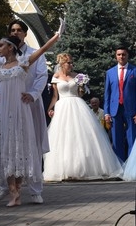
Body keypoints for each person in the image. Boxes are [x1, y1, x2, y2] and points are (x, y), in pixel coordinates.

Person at [0, 20, 63, 207]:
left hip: (22, 108)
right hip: (3, 110)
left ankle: (32, 189)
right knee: (5, 146)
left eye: (1, 45)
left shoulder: (24, 63)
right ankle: (12, 192)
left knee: (22, 146)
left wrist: (57, 35)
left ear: (10, 47)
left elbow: (43, 51)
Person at [0, 19, 50, 205]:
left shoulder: (34, 54)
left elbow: (42, 76)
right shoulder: (2, 56)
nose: (15, 33)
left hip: (28, 102)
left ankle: (35, 189)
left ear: (24, 33)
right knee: (7, 142)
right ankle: (6, 188)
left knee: (32, 143)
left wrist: (32, 94)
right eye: (12, 30)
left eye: (19, 30)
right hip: (8, 106)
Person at [43, 53, 123, 181]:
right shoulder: (56, 77)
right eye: (68, 63)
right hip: (62, 106)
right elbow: (54, 96)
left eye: (71, 62)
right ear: (62, 64)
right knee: (64, 137)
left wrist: (81, 86)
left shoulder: (78, 76)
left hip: (77, 105)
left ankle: (84, 167)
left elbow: (80, 94)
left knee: (81, 136)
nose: (71, 65)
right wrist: (50, 108)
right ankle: (65, 168)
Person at [104, 46, 136, 161]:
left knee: (132, 139)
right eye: (119, 54)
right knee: (117, 140)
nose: (121, 57)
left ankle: (132, 166)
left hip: (131, 110)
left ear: (127, 56)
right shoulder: (110, 72)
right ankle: (119, 166)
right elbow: (107, 94)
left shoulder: (135, 71)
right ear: (116, 56)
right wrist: (106, 112)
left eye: (124, 54)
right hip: (114, 110)